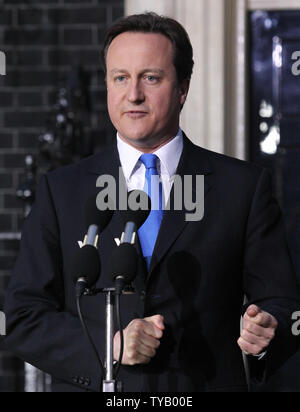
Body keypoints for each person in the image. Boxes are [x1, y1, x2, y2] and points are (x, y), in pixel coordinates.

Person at [3, 12, 300, 392]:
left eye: (151, 77)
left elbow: (283, 304)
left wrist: (266, 332)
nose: (133, 95)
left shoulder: (242, 187)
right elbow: (22, 316)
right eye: (120, 78)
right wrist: (109, 348)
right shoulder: (61, 190)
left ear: (183, 88)